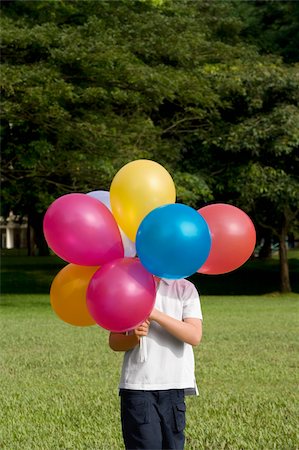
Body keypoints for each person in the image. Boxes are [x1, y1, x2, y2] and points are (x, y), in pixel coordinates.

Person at [109, 277, 203, 450]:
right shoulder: (127, 284)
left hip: (173, 385)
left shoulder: (184, 288)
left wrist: (155, 314)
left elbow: (194, 335)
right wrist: (134, 337)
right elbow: (115, 341)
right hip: (138, 387)